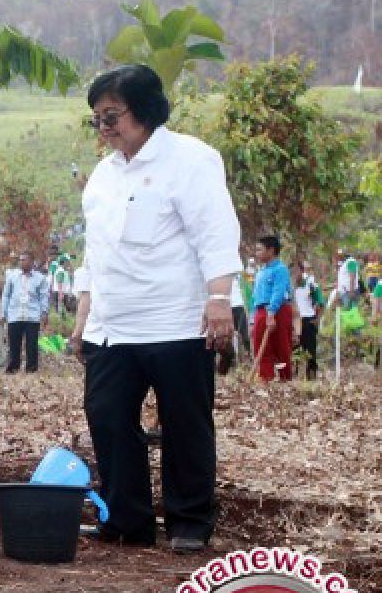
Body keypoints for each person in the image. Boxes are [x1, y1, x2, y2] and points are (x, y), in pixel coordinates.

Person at [70, 65, 241, 554]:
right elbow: (93, 254)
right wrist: (84, 320)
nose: (104, 128)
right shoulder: (102, 177)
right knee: (106, 416)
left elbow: (216, 232)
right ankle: (127, 519)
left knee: (184, 422)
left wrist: (218, 299)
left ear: (145, 109)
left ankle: (189, 521)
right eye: (96, 119)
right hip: (113, 326)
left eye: (111, 116)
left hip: (176, 319)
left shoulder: (190, 159)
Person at [250, 235, 294, 382]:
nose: (257, 253)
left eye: (259, 249)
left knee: (281, 346)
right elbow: (255, 297)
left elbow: (278, 292)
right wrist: (252, 319)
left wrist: (271, 313)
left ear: (271, 250)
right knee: (261, 347)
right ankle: (266, 378)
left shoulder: (280, 269)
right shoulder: (260, 272)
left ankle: (285, 380)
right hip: (260, 311)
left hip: (278, 310)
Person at [0, 252, 50, 373]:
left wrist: (44, 312)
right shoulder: (12, 276)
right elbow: (6, 295)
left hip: (32, 316)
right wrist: (3, 313)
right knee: (14, 344)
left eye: (25, 260)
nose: (22, 262)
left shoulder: (40, 278)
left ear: (32, 262)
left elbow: (43, 296)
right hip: (14, 314)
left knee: (31, 344)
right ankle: (13, 367)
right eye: (20, 260)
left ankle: (31, 369)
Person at [293, 259, 323, 380]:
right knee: (294, 351)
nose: (294, 274)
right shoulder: (288, 287)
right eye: (292, 271)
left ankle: (311, 377)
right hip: (294, 323)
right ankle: (294, 378)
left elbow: (320, 302)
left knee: (310, 351)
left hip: (308, 320)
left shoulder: (310, 284)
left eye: (296, 271)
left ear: (301, 271)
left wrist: (317, 319)